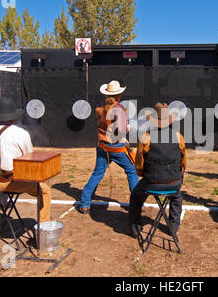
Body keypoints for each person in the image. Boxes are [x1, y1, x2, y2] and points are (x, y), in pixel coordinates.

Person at [0, 97, 51, 242]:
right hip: (16, 181)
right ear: (13, 117)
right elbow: (29, 159)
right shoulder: (20, 134)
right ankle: (43, 228)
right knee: (45, 191)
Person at [77, 81, 139, 214]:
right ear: (119, 95)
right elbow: (121, 130)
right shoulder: (120, 109)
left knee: (97, 173)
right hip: (117, 146)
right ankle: (136, 204)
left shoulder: (99, 107)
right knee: (132, 170)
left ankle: (85, 203)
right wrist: (127, 128)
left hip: (102, 145)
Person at [128, 103, 187, 238]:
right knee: (176, 197)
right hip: (174, 182)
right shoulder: (179, 137)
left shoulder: (145, 137)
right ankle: (173, 227)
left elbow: (139, 165)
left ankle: (135, 229)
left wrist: (146, 176)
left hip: (151, 182)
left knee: (136, 197)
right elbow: (183, 163)